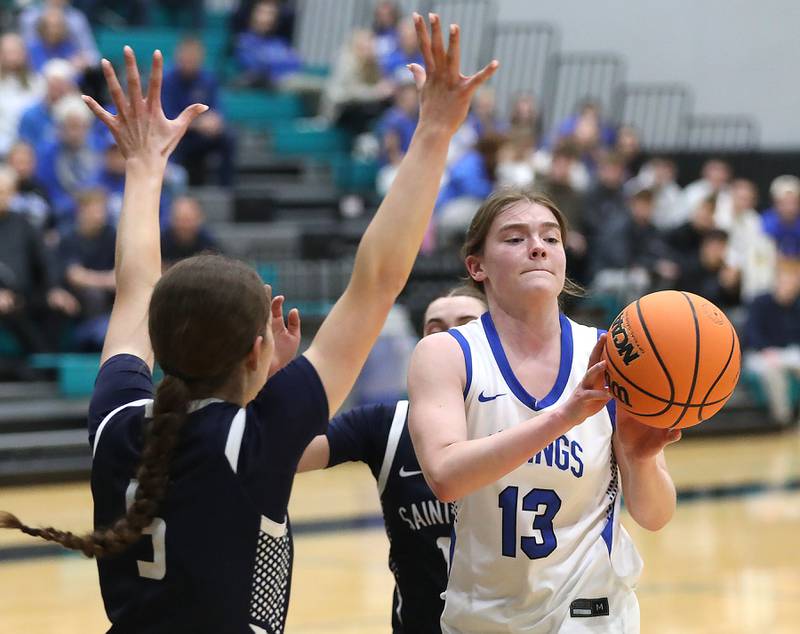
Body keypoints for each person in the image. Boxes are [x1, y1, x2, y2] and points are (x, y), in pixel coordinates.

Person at [0, 16, 498, 633]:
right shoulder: (254, 439)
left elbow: (131, 291)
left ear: (159, 345)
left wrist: (142, 167)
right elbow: (376, 282)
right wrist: (437, 132)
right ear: (258, 351)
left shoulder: (116, 423)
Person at [408, 189, 680, 632]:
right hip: (483, 614)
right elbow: (445, 476)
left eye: (550, 238)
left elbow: (655, 516)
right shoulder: (446, 353)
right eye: (514, 238)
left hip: (592, 611)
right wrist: (561, 418)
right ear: (477, 266)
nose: (537, 246)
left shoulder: (613, 355)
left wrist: (641, 458)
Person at [298, 286, 487, 633]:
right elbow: (292, 454)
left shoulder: (524, 418)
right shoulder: (385, 424)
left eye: (466, 324)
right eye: (436, 328)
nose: (450, 337)